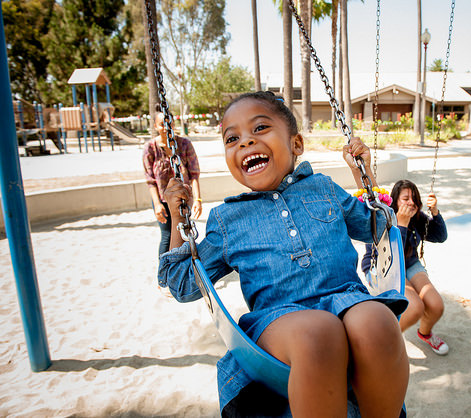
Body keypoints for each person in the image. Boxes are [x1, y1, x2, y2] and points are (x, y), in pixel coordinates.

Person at [158, 91, 409, 417]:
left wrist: (365, 174)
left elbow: (375, 228)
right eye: (232, 138)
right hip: (279, 323)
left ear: (296, 145)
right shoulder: (228, 219)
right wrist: (178, 218)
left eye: (260, 128)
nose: (245, 142)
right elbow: (183, 284)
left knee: (377, 321)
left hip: (346, 299)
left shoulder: (323, 188)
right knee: (317, 332)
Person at [361, 179, 449, 355]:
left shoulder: (417, 218)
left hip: (410, 263)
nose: (411, 202)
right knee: (415, 307)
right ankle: (385, 342)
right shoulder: (383, 217)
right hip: (383, 266)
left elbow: (440, 237)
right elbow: (391, 256)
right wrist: (401, 224)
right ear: (395, 200)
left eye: (414, 198)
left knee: (436, 304)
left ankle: (424, 334)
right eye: (406, 198)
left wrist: (435, 212)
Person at [143, 110, 202, 257]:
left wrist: (198, 199)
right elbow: (150, 180)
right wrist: (157, 204)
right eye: (162, 124)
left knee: (184, 232)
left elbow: (194, 174)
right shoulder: (151, 148)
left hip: (183, 198)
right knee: (167, 235)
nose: (166, 127)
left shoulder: (184, 144)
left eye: (169, 123)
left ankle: (185, 265)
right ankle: (164, 270)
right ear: (156, 126)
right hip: (162, 200)